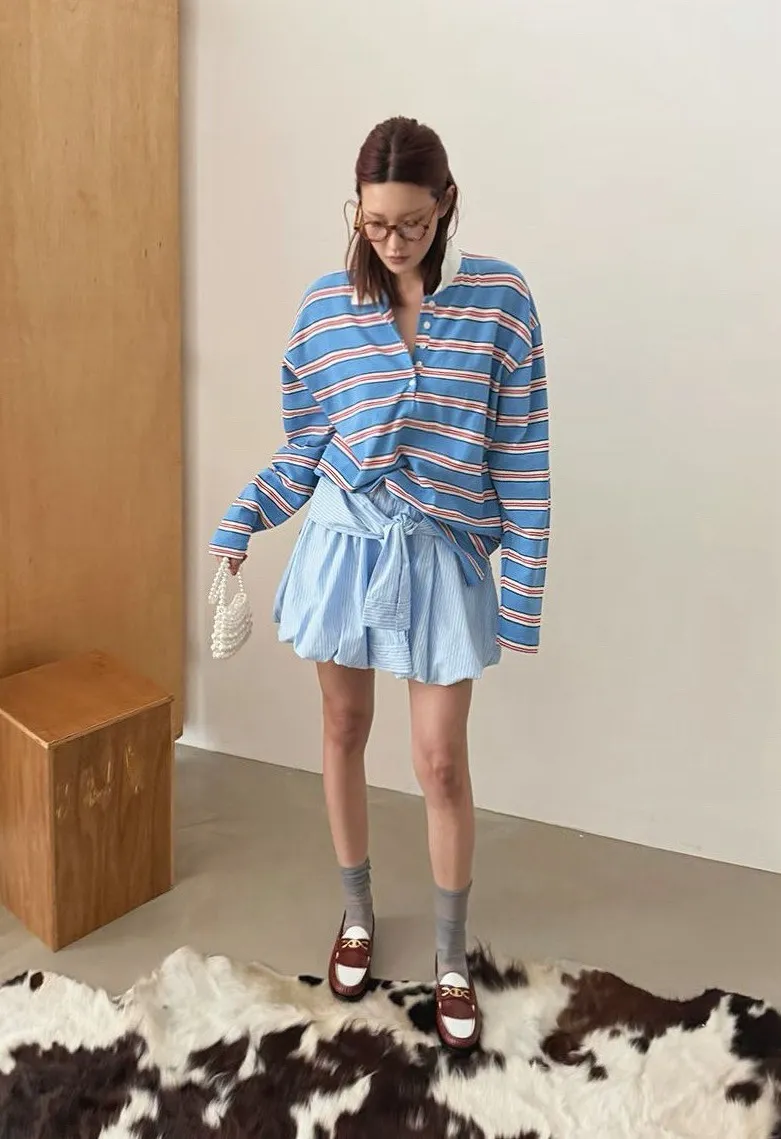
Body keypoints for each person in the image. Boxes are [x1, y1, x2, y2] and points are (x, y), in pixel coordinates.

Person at [209, 116, 550, 1052]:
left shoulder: (500, 301)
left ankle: (448, 953)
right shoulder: (327, 309)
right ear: (355, 213)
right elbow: (307, 444)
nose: (392, 241)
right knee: (343, 728)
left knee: (439, 761)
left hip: (441, 554)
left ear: (445, 205)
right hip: (343, 542)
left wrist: (521, 590)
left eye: (411, 223)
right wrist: (243, 518)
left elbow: (522, 453)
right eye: (373, 224)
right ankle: (357, 913)